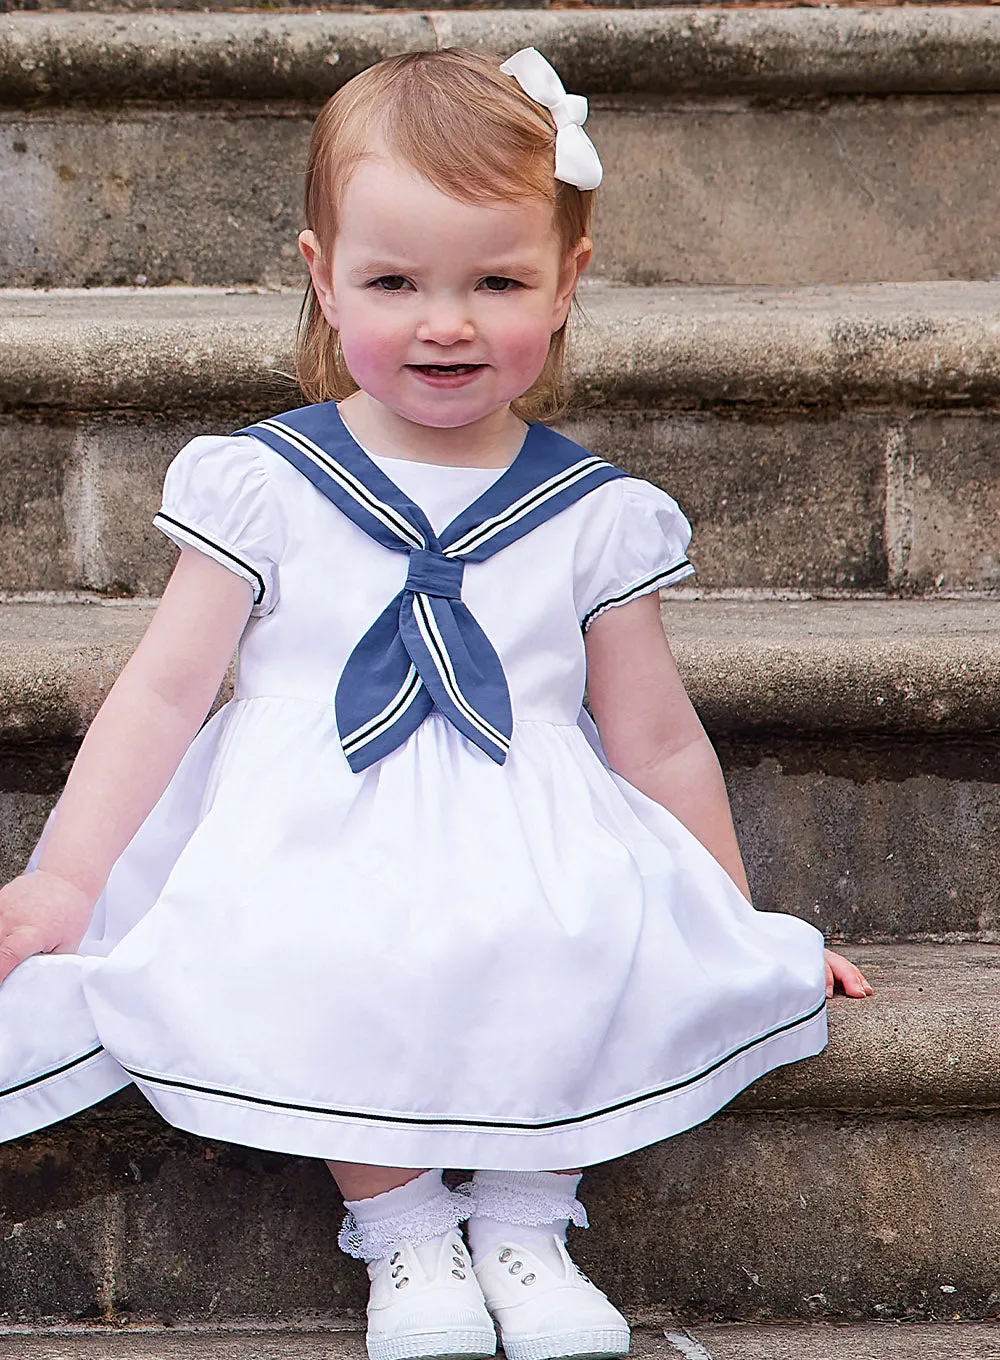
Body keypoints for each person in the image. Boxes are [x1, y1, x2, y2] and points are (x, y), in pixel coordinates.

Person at [0, 45, 872, 1360]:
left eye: (497, 282)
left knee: (580, 933)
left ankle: (527, 1221)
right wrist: (66, 882)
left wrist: (728, 924)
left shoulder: (594, 514)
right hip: (315, 814)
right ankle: (403, 1230)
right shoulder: (265, 483)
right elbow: (163, 692)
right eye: (394, 282)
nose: (444, 321)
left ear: (567, 285)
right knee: (320, 944)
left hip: (528, 810)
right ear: (321, 275)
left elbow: (655, 736)